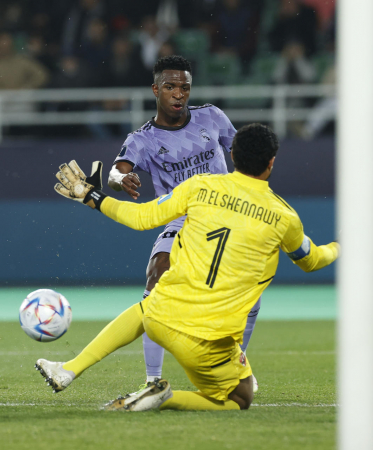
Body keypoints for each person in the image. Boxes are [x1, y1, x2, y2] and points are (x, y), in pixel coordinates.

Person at [37, 123, 339, 411]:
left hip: (161, 319)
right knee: (240, 397)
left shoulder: (199, 187)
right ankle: (163, 399)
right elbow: (312, 261)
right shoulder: (284, 216)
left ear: (232, 154)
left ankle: (69, 369)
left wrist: (91, 196)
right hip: (207, 342)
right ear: (271, 162)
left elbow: (140, 218)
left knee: (147, 306)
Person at [107, 55, 261, 389]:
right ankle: (152, 381)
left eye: (185, 87)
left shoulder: (212, 118)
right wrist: (123, 180)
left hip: (224, 218)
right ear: (155, 90)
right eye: (171, 87)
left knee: (249, 297)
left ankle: (234, 366)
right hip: (180, 220)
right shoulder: (143, 139)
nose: (179, 94)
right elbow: (115, 172)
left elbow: (243, 156)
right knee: (157, 279)